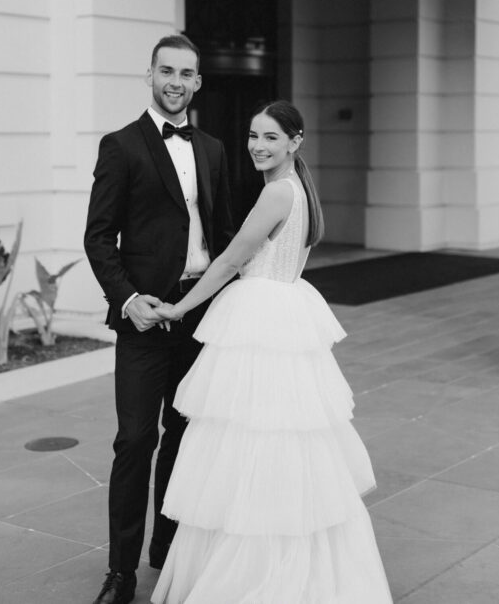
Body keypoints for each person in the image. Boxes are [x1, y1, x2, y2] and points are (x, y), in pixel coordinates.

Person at [150, 100, 393, 603]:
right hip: (281, 315)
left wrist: (178, 309)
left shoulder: (276, 196)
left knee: (249, 441)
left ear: (294, 141)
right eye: (253, 136)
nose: (258, 146)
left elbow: (228, 262)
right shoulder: (299, 190)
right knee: (280, 443)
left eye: (271, 138)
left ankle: (257, 573)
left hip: (260, 321)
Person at [83, 34, 234, 604]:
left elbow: (222, 235)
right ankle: (121, 572)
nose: (176, 81)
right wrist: (127, 299)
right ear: (149, 76)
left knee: (185, 435)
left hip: (198, 315)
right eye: (166, 71)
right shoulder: (120, 146)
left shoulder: (214, 149)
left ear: (198, 83)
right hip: (145, 320)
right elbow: (99, 237)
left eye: (186, 73)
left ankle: (166, 548)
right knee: (134, 441)